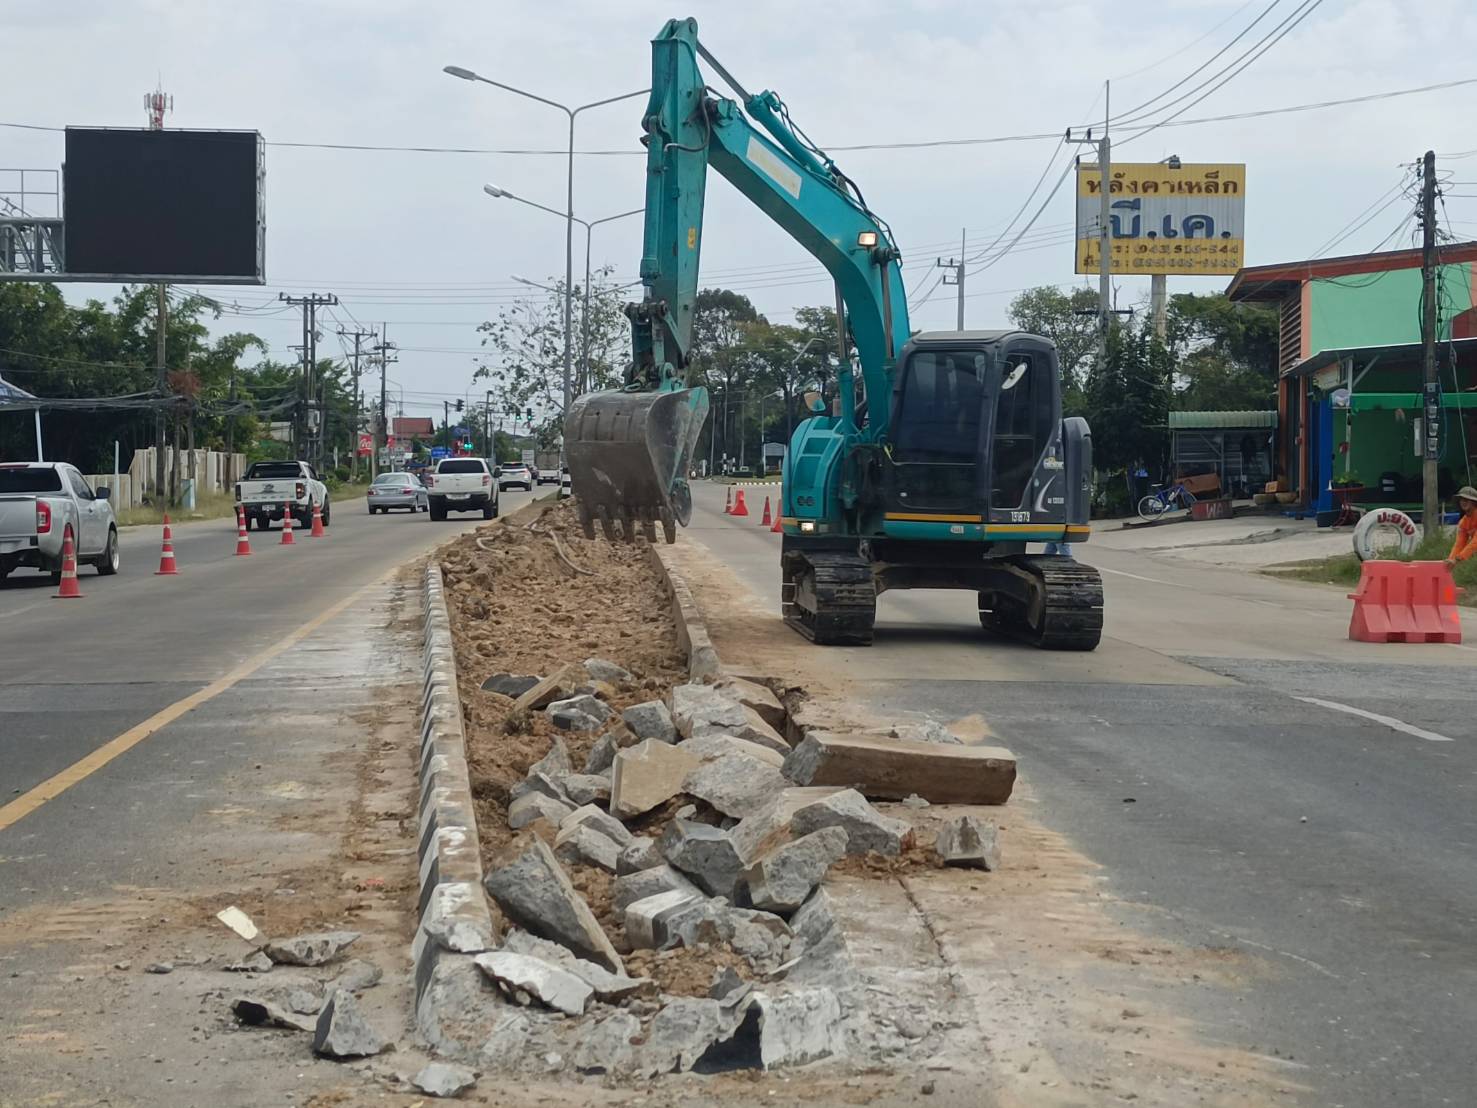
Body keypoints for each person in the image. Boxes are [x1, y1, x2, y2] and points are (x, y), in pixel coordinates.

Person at [1445, 485, 1477, 569]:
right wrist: (1451, 559)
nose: (1463, 502)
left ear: (1474, 502)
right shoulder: (1463, 522)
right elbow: (1459, 543)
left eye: (1466, 500)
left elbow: (1475, 542)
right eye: (1461, 500)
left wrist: (1458, 559)